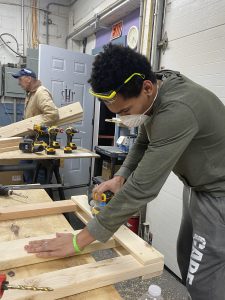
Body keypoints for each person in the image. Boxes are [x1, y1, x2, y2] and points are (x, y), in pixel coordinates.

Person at [24, 44, 225, 300]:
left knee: (203, 276)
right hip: (197, 186)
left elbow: (143, 188)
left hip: (218, 191)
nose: (123, 118)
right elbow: (143, 138)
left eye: (126, 112)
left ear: (147, 89)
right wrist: (121, 176)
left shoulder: (178, 110)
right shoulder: (155, 88)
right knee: (186, 254)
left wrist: (80, 239)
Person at [12, 68, 59, 183]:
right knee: (25, 168)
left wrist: (34, 126)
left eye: (20, 79)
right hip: (31, 138)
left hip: (41, 138)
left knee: (40, 173)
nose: (19, 83)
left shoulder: (40, 92)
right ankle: (32, 194)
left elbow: (53, 114)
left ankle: (42, 196)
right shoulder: (30, 94)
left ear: (28, 79)